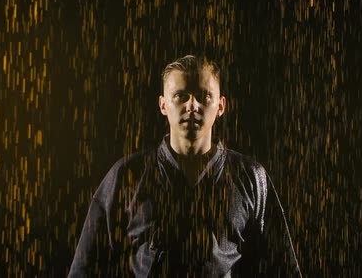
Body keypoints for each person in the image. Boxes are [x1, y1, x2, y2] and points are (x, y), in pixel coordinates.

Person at [69, 55, 301, 277]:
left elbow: (281, 268)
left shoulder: (250, 178)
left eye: (203, 96)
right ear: (162, 105)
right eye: (181, 95)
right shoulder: (127, 175)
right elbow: (85, 269)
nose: (193, 105)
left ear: (221, 106)